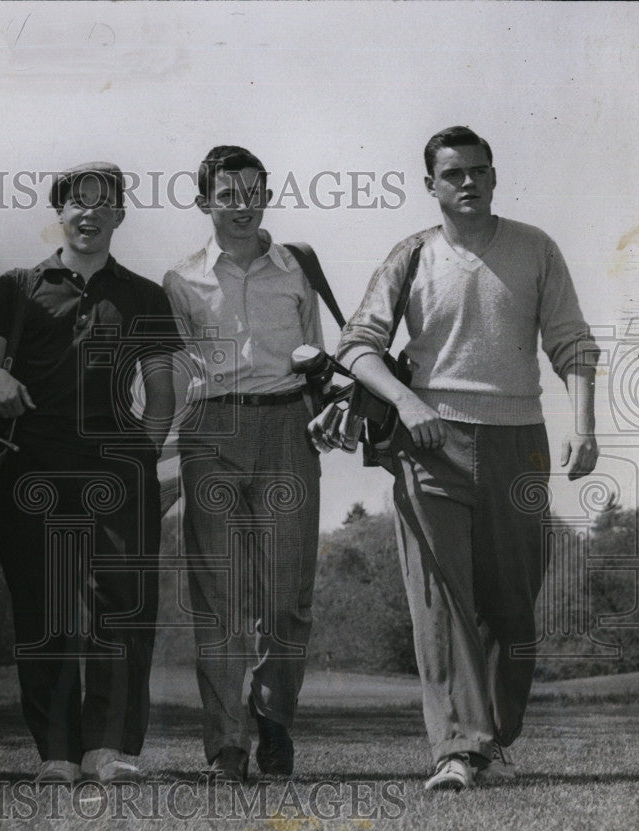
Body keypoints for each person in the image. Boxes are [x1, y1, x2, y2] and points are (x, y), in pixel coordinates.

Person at [312, 126, 599, 791]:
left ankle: (491, 735)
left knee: (513, 608)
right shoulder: (410, 255)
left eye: (479, 171)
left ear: (494, 177)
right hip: (428, 443)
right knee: (440, 602)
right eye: (453, 174)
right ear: (430, 186)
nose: (467, 182)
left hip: (517, 443)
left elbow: (572, 344)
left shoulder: (535, 249)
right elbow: (356, 346)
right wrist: (408, 405)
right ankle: (457, 748)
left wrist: (583, 426)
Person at [0, 163, 180, 784]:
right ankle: (57, 754)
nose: (89, 214)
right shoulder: (16, 286)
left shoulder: (143, 294)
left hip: (118, 471)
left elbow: (162, 393)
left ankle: (107, 749)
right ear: (59, 213)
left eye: (103, 204)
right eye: (77, 203)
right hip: (30, 467)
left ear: (119, 214)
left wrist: (141, 460)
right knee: (44, 608)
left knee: (122, 610)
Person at [163, 146, 325, 781]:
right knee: (221, 598)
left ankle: (275, 721)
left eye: (251, 192)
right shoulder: (180, 280)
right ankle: (227, 744)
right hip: (212, 431)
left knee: (287, 595)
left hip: (288, 424)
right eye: (225, 194)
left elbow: (317, 351)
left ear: (266, 197)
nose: (239, 205)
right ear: (204, 201)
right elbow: (174, 374)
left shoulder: (298, 269)